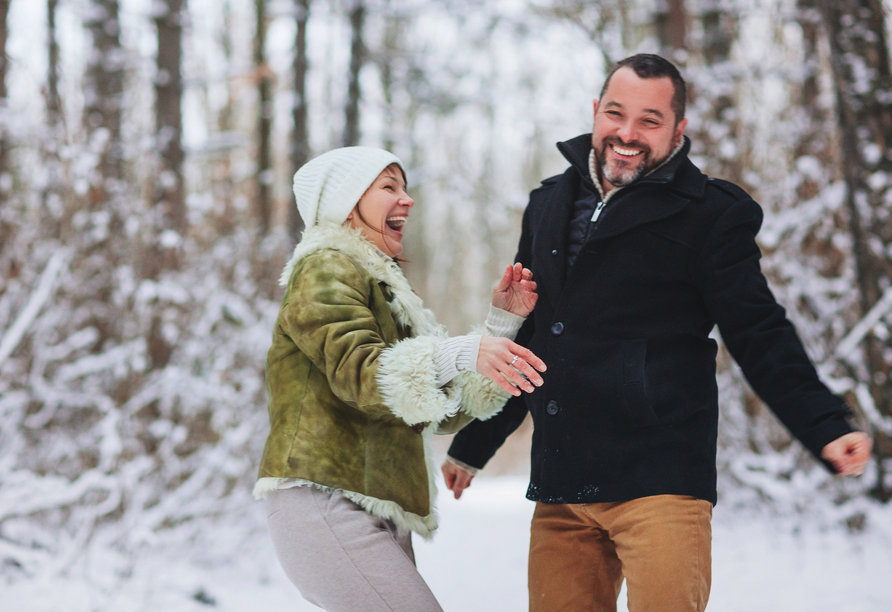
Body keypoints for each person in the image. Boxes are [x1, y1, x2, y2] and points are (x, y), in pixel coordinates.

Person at [441, 54, 873, 612]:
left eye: (649, 120)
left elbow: (758, 329)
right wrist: (475, 444)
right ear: (595, 112)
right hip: (563, 486)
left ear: (678, 131)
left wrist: (822, 421)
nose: (627, 133)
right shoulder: (547, 204)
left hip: (661, 482)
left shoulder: (711, 214)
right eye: (616, 114)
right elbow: (530, 335)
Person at [253, 146, 547, 612]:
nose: (407, 199)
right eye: (389, 187)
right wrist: (462, 350)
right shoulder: (326, 267)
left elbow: (439, 409)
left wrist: (499, 327)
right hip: (324, 497)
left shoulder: (381, 284)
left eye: (405, 187)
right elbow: (364, 375)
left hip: (376, 502)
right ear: (346, 203)